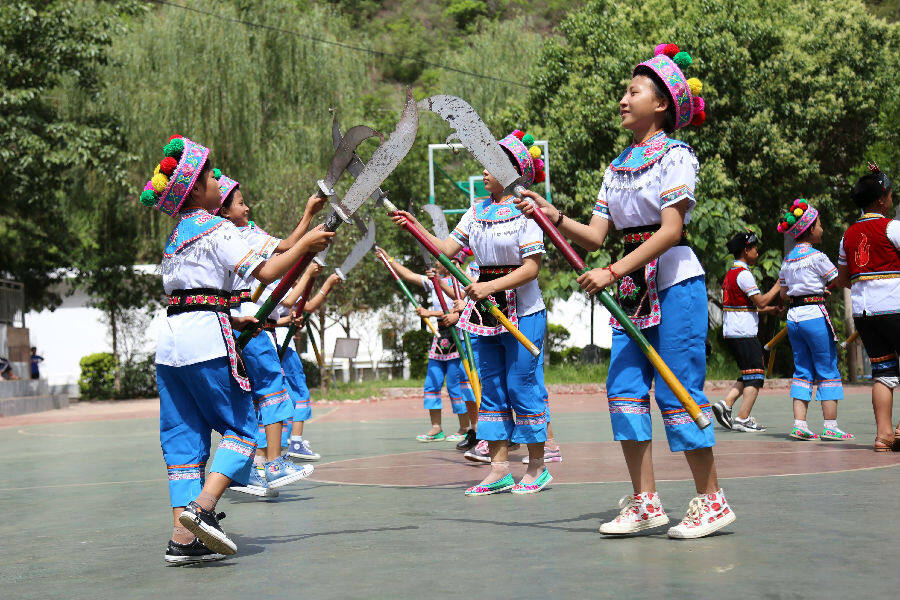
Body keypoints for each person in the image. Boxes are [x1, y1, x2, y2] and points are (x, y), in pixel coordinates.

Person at [517, 43, 736, 538]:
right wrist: (554, 217)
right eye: (624, 91)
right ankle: (645, 502)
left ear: (661, 104)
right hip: (632, 295)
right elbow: (596, 235)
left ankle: (712, 500)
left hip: (674, 282)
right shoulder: (616, 167)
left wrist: (612, 272)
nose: (622, 99)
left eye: (632, 91)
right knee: (624, 395)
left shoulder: (678, 156)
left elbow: (670, 232)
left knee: (680, 393)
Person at [137, 135, 332, 564]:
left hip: (171, 344)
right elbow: (265, 269)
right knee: (244, 428)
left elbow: (194, 292)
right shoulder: (215, 225)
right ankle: (202, 511)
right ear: (198, 190)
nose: (216, 182)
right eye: (210, 177)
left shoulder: (177, 236)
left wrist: (233, 313)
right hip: (206, 340)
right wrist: (305, 246)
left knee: (183, 439)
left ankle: (182, 540)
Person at [393, 128, 552, 495]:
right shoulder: (477, 210)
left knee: (521, 386)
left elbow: (531, 268)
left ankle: (538, 467)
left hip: (523, 313)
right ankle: (499, 469)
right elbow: (445, 249)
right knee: (491, 390)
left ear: (514, 171)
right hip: (485, 318)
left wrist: (488, 287)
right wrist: (414, 227)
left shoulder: (527, 210)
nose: (484, 170)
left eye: (493, 163)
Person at [216, 172, 324, 495]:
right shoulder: (236, 236)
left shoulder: (224, 233)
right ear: (223, 211)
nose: (246, 208)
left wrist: (308, 218)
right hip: (248, 322)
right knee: (272, 388)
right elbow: (287, 248)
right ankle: (274, 464)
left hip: (230, 323)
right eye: (240, 203)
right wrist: (308, 222)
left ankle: (251, 469)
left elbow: (286, 247)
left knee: (248, 398)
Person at [835, 164, 900, 451]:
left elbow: (842, 277)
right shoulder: (892, 227)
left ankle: (883, 436)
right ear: (881, 199)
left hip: (865, 312)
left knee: (883, 372)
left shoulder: (847, 236)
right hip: (894, 306)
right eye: (890, 195)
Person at [776, 200, 853, 441]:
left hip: (794, 318)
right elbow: (838, 279)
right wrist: (823, 290)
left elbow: (784, 293)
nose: (822, 228)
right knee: (827, 367)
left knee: (803, 369)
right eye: (819, 224)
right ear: (809, 229)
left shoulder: (788, 259)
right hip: (813, 316)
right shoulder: (817, 256)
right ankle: (830, 425)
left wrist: (812, 291)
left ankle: (800, 424)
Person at [385, 255, 475, 443]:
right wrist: (388, 258)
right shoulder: (435, 280)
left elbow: (459, 310)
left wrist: (430, 313)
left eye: (440, 259)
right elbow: (409, 276)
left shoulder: (463, 279)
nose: (436, 262)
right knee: (431, 383)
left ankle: (464, 427)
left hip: (457, 335)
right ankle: (436, 427)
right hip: (440, 337)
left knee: (455, 385)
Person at [711, 232, 781, 432]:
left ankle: (726, 404)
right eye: (755, 248)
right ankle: (743, 418)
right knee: (756, 375)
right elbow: (760, 301)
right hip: (743, 332)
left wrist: (771, 310)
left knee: (749, 373)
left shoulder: (731, 274)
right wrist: (778, 285)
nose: (757, 252)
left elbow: (749, 305)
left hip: (734, 331)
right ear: (746, 250)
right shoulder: (744, 274)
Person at [278, 264, 343, 460]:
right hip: (283, 346)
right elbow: (299, 305)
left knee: (281, 395)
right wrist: (321, 281)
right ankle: (295, 442)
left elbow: (307, 306)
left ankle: (280, 444)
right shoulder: (281, 287)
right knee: (299, 394)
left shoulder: (271, 286)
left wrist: (327, 284)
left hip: (272, 346)